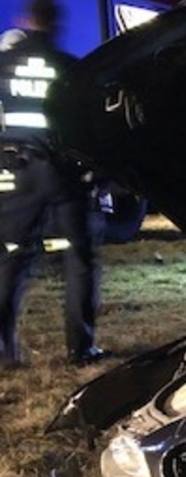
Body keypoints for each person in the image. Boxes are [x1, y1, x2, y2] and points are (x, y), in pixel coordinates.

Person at [0, 0, 105, 368]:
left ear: (27, 20)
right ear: (56, 24)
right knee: (79, 259)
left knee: (12, 256)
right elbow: (89, 128)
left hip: (20, 169)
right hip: (66, 173)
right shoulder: (70, 68)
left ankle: (3, 350)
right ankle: (81, 349)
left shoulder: (3, 64)